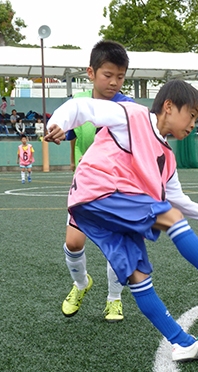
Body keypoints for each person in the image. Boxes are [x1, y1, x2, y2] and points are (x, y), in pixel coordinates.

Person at [44, 79, 198, 362]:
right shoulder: (132, 115)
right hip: (99, 192)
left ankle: (183, 343)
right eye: (192, 115)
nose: (193, 124)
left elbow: (178, 199)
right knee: (167, 216)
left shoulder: (167, 158)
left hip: (97, 209)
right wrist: (57, 123)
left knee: (138, 275)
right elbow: (81, 106)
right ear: (169, 107)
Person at [61, 40, 136, 323]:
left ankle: (114, 300)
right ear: (90, 73)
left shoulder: (129, 109)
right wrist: (57, 133)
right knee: (74, 243)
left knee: (115, 247)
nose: (114, 82)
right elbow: (67, 131)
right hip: (86, 186)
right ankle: (81, 285)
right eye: (108, 75)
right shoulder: (78, 104)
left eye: (120, 76)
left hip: (118, 188)